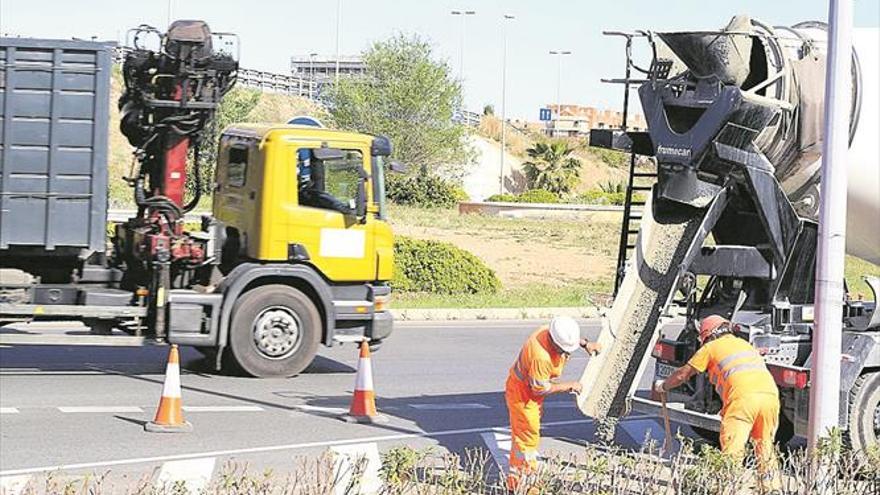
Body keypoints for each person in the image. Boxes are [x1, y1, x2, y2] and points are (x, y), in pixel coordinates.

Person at [654, 314, 782, 492]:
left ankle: (726, 488)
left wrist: (664, 386)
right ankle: (770, 488)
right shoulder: (744, 344)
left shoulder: (711, 348)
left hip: (742, 401)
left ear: (707, 334)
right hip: (770, 398)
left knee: (733, 449)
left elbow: (683, 374)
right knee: (764, 445)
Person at [505, 316, 601, 491]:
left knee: (524, 436)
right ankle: (521, 483)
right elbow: (539, 389)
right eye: (564, 350)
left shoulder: (550, 330)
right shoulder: (540, 356)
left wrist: (586, 344)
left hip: (527, 391)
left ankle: (521, 476)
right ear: (554, 343)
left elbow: (568, 337)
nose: (567, 353)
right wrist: (569, 386)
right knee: (526, 440)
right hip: (523, 396)